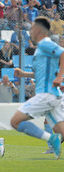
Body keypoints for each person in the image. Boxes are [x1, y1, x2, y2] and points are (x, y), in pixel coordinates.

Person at [10, 16, 64, 159]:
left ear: (38, 30)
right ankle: (54, 139)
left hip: (46, 95)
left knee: (15, 122)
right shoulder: (42, 48)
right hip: (54, 96)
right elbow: (42, 72)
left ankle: (51, 139)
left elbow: (63, 53)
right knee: (62, 132)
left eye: (32, 28)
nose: (30, 32)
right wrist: (24, 74)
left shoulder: (45, 44)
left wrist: (59, 77)